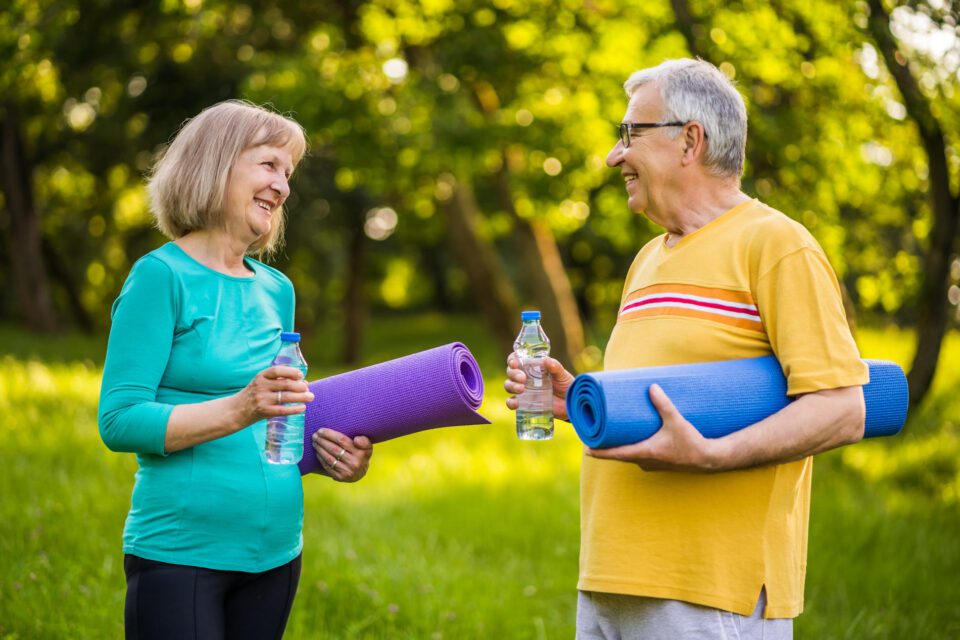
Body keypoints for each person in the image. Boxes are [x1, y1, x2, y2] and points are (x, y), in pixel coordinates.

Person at [505, 59, 868, 639]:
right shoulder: (648, 260)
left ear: (689, 141)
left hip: (709, 593)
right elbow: (664, 404)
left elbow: (842, 408)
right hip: (609, 580)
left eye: (630, 133)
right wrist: (577, 402)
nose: (614, 156)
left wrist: (713, 455)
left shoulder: (776, 244)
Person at [98, 100, 374, 639]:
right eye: (269, 164)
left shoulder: (277, 289)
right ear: (214, 165)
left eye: (288, 173)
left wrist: (333, 454)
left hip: (276, 550)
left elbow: (279, 419)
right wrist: (241, 407)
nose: (283, 186)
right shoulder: (160, 276)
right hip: (182, 551)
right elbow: (120, 420)